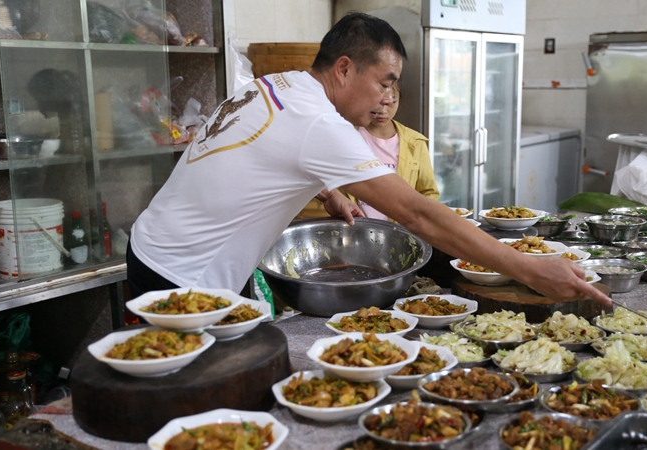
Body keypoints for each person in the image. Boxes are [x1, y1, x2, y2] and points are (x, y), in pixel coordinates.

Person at [126, 12, 610, 306]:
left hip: (154, 245)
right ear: (343, 68)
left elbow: (256, 152)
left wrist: (327, 188)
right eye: (384, 82)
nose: (386, 98)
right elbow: (418, 214)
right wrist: (528, 269)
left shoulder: (277, 85)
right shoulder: (322, 123)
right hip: (182, 275)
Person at [348, 82, 439, 220]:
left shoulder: (415, 142)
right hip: (356, 228)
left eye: (390, 103)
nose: (382, 110)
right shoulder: (347, 137)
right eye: (376, 102)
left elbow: (428, 192)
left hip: (401, 231)